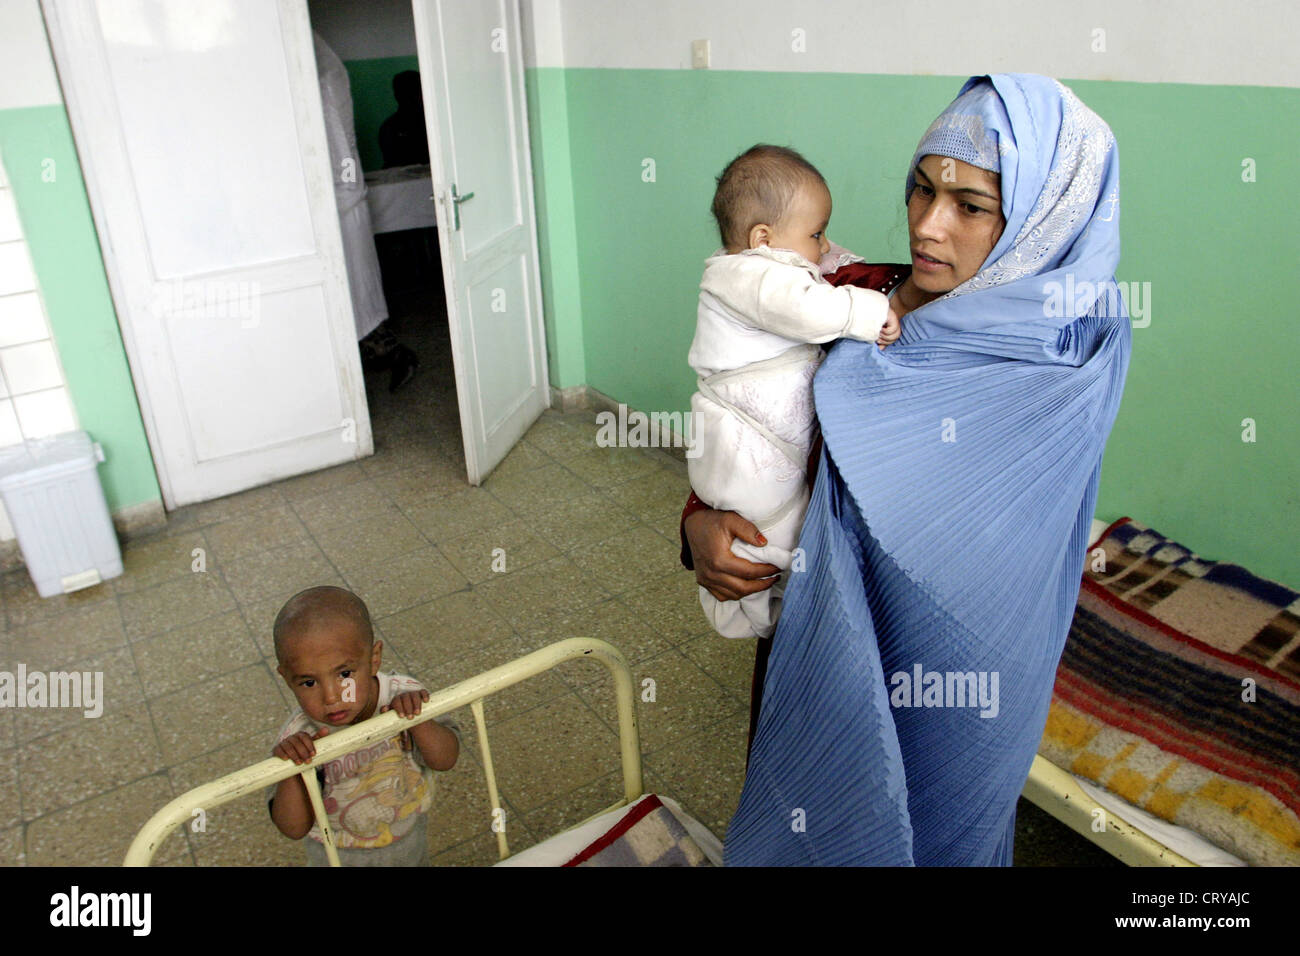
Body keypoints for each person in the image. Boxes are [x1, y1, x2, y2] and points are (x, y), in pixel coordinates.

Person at [682, 74, 1131, 865]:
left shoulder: (1056, 372)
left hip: (952, 693)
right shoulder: (854, 291)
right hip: (804, 647)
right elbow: (750, 421)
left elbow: (1005, 576)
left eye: (970, 206)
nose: (927, 225)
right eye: (921, 190)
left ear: (1040, 220)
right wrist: (696, 527)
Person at [689, 145, 901, 640]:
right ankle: (767, 617)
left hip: (757, 442)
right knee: (765, 532)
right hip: (748, 439)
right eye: (816, 234)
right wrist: (869, 314)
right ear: (763, 239)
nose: (826, 247)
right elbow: (809, 306)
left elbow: (821, 278)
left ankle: (777, 616)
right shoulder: (751, 275)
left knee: (777, 525)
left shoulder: (766, 269)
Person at [267, 586, 459, 866]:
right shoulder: (300, 736)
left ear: (374, 658)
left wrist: (418, 721)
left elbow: (446, 759)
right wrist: (292, 771)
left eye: (344, 674)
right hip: (336, 854)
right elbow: (293, 828)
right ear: (286, 678)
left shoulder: (404, 696)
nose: (332, 697)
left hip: (408, 837)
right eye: (309, 682)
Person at [313, 32, 419, 392]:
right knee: (349, 299)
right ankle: (373, 355)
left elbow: (341, 159)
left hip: (345, 208)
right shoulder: (332, 86)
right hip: (338, 207)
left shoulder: (328, 88)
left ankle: (394, 354)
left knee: (357, 295)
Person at [379, 70, 431, 168]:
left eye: (417, 92)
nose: (415, 97)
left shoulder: (432, 124)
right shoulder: (389, 128)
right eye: (408, 93)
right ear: (397, 96)